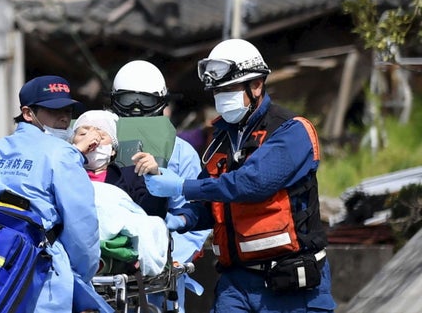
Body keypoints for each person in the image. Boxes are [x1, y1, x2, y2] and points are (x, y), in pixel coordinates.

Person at [142, 39, 336, 313]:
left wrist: (181, 186)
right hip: (237, 283)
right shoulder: (220, 141)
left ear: (256, 85)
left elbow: (252, 184)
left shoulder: (291, 131)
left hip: (291, 282)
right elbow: (212, 205)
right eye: (217, 91)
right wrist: (181, 219)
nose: (222, 98)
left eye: (230, 89)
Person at [0, 76, 113, 313]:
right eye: (54, 110)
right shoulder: (62, 155)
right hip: (39, 281)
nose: (64, 118)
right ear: (27, 113)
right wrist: (82, 277)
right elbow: (82, 229)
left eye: (68, 110)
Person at [110, 60, 210, 309]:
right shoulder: (100, 144)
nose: (135, 108)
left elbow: (194, 215)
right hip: (108, 274)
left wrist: (167, 259)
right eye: (127, 100)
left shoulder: (181, 152)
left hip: (160, 278)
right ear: (113, 100)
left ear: (161, 103)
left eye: (144, 100)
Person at [72, 109, 167, 217]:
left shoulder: (131, 175)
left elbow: (152, 214)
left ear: (113, 150)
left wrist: (155, 178)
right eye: (84, 135)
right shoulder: (61, 173)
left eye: (101, 137)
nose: (93, 142)